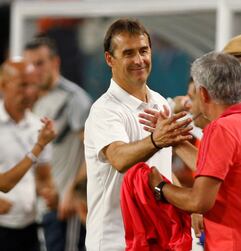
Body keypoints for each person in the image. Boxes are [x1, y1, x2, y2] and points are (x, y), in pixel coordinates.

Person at [149, 51, 241, 250]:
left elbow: (199, 201)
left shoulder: (221, 129)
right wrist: (175, 141)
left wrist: (161, 188)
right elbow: (217, 170)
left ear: (203, 93)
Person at [84, 18, 192, 251]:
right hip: (115, 241)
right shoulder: (104, 110)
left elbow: (161, 168)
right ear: (109, 59)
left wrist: (188, 206)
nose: (138, 60)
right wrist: (156, 140)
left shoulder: (159, 102)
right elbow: (119, 158)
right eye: (128, 53)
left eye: (144, 51)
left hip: (157, 236)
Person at [24, 36, 92, 251]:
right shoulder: (30, 101)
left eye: (40, 63)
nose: (35, 70)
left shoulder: (74, 99)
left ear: (55, 62)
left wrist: (72, 193)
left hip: (66, 208)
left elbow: (95, 152)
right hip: (39, 207)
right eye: (30, 65)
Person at [0, 58, 57, 251]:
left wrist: (49, 192)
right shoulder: (41, 138)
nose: (30, 92)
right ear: (3, 84)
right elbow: (3, 184)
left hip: (29, 227)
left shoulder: (37, 127)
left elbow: (43, 178)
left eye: (33, 85)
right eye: (23, 85)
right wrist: (38, 147)